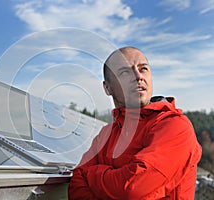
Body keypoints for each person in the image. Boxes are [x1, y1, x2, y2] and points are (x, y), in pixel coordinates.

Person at [68, 46, 202, 199]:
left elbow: (132, 188)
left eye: (143, 69)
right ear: (107, 87)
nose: (138, 76)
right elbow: (77, 182)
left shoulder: (174, 126)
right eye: (125, 72)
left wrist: (91, 173)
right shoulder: (106, 134)